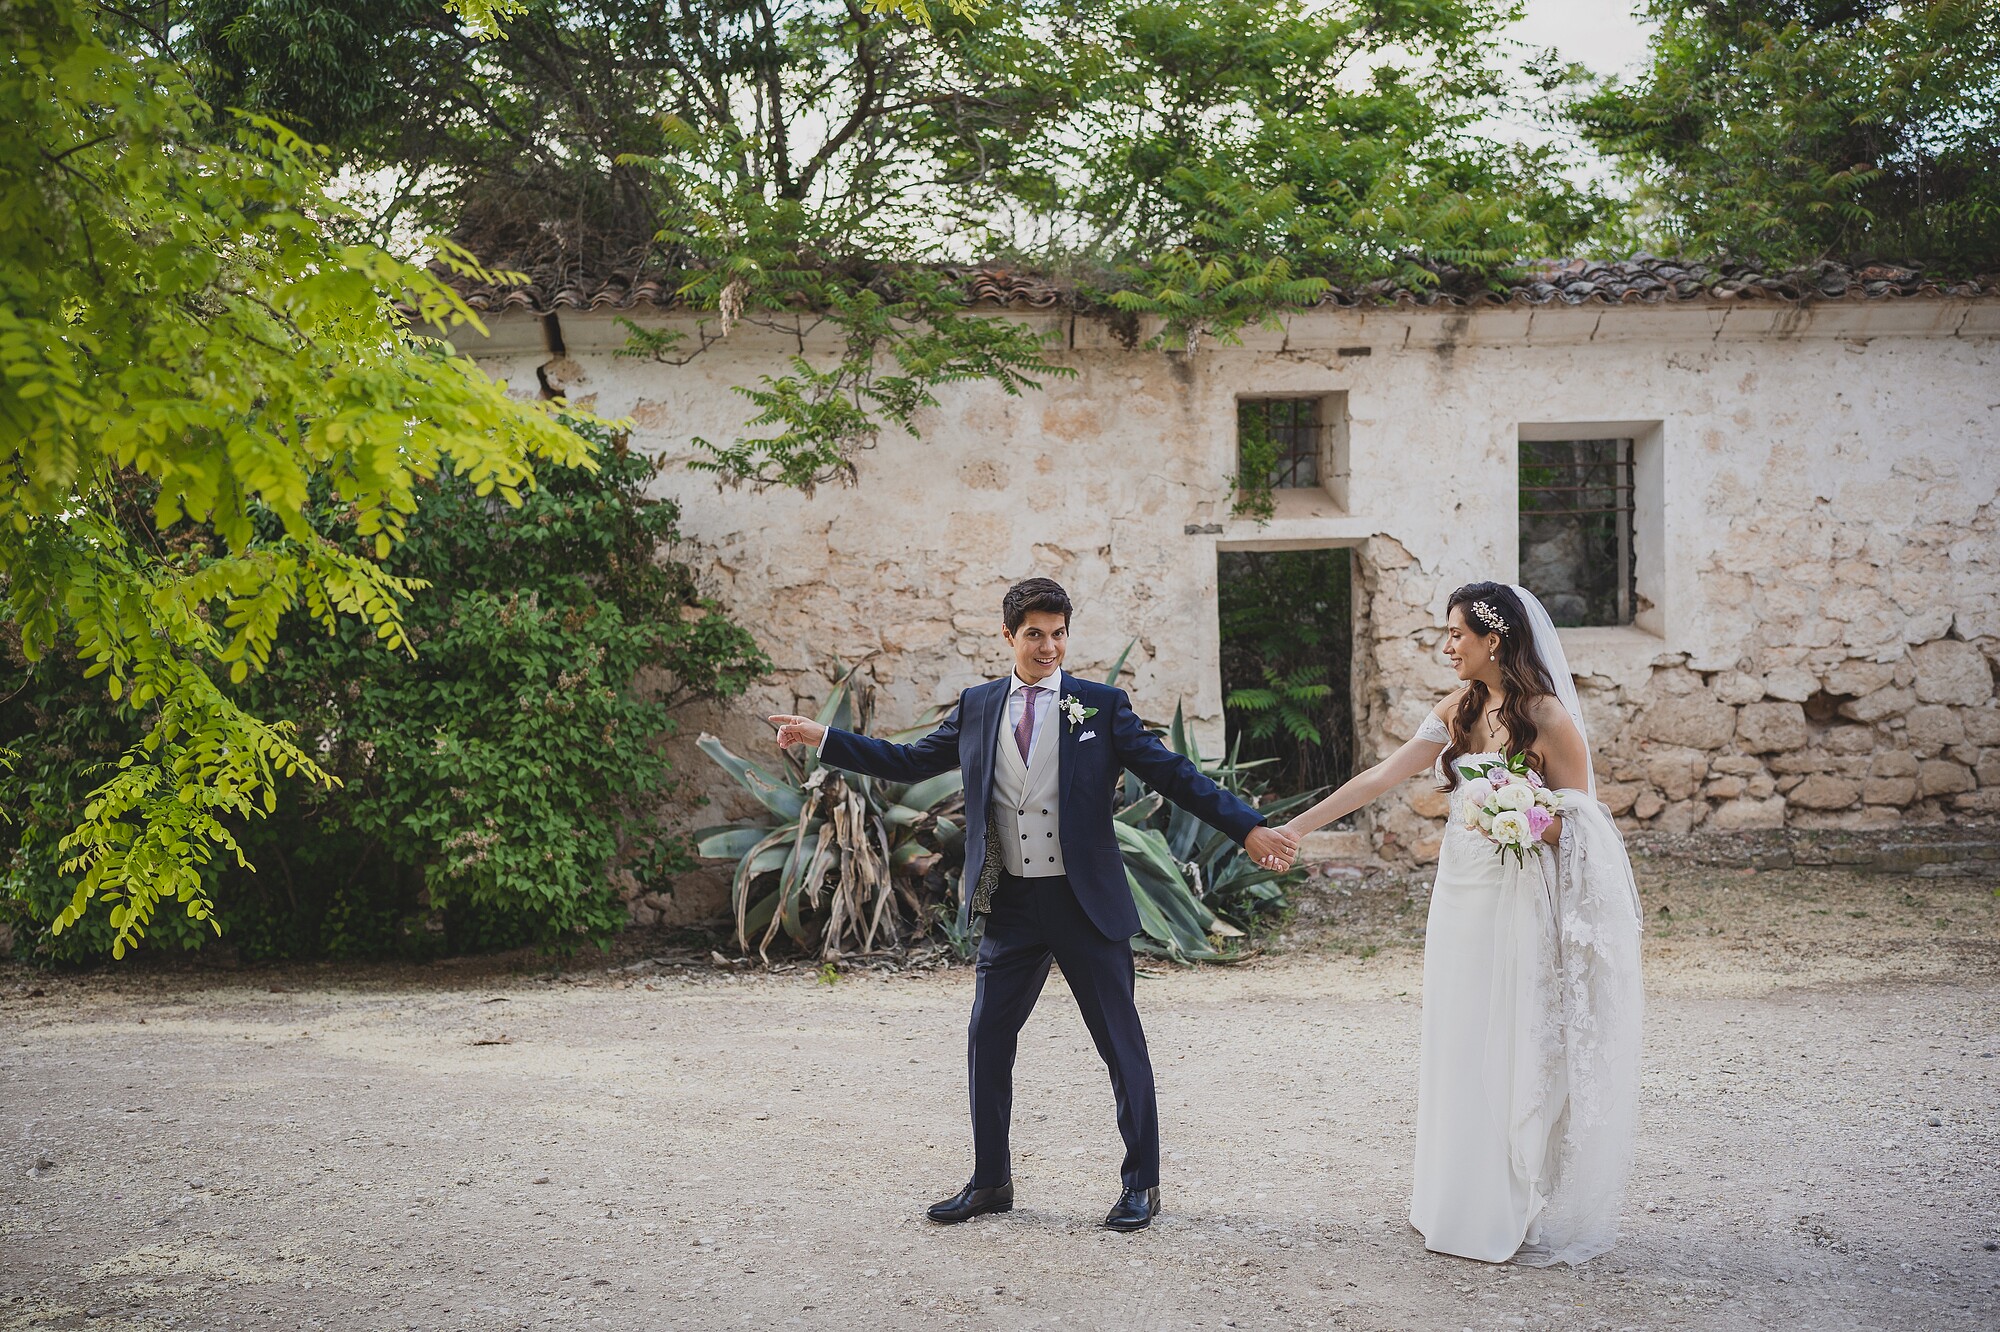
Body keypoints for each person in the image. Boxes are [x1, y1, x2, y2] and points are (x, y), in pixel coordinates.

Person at [770, 577, 1299, 1232]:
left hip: (1085, 901)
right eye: (1035, 635)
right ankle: (990, 1181)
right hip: (1011, 900)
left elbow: (1174, 775)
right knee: (987, 1039)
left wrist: (1247, 828)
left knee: (1120, 1043)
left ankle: (1142, 1184)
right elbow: (909, 762)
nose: (1049, 647)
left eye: (1058, 634)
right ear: (1008, 636)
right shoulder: (978, 705)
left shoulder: (1100, 705)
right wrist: (824, 737)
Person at [1276, 581, 1644, 1265]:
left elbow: (1582, 826)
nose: (1447, 646)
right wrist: (1293, 829)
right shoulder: (1458, 708)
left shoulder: (1549, 718)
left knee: (1506, 1036)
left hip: (1518, 902)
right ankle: (1450, 1199)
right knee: (1457, 1037)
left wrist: (1522, 816)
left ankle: (1501, 1205)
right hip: (1458, 901)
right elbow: (1380, 777)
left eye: (1456, 634)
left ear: (1492, 640)